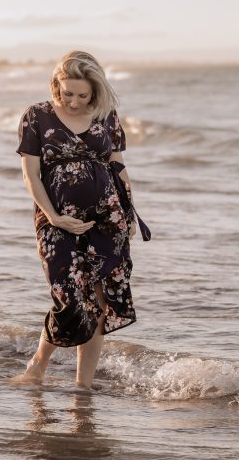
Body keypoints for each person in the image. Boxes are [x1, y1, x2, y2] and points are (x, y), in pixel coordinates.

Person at [10, 50, 148, 390]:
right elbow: (31, 175)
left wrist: (129, 212)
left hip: (107, 220)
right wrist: (54, 217)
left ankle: (82, 386)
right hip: (56, 221)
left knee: (100, 303)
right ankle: (37, 366)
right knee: (70, 298)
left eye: (81, 95)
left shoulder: (107, 116)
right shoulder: (37, 116)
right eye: (66, 92)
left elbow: (117, 166)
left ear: (95, 91)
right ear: (56, 84)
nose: (72, 101)